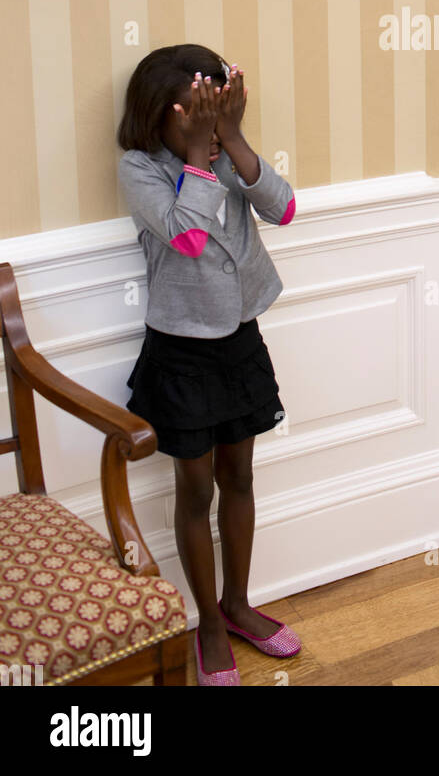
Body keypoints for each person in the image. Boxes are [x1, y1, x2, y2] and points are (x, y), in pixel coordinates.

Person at [118, 44, 302, 685]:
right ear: (161, 114)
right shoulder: (141, 167)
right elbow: (189, 238)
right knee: (196, 491)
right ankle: (209, 623)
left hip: (239, 339)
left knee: (241, 477)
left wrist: (233, 136)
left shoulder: (225, 152)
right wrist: (199, 155)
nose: (207, 120)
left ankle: (238, 602)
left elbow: (282, 207)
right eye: (195, 111)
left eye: (215, 106)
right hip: (183, 351)